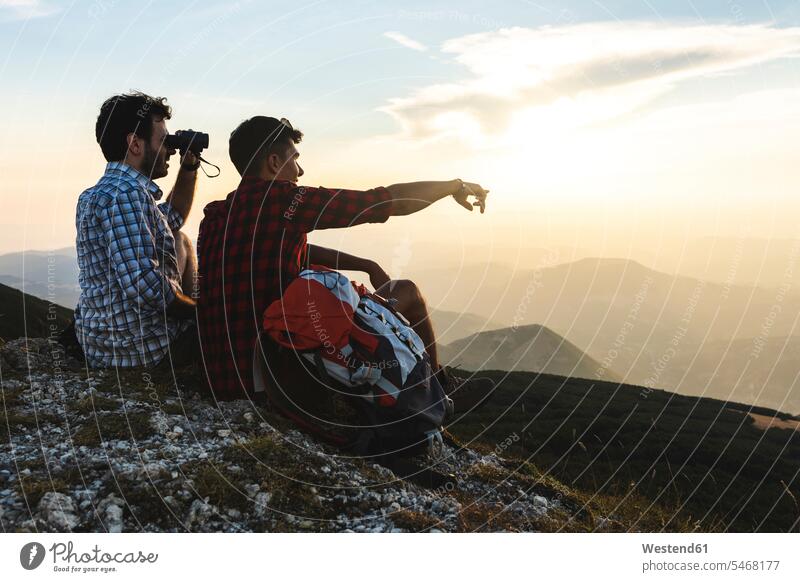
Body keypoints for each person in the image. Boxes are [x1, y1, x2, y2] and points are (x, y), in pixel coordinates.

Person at [196, 115, 496, 412]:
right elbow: (382, 202)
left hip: (224, 378)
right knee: (407, 293)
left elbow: (279, 248)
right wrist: (453, 186)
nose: (299, 171)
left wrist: (364, 263)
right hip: (281, 381)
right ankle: (440, 394)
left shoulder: (216, 216)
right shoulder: (285, 200)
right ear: (274, 162)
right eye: (294, 159)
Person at [74, 91, 200, 369]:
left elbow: (173, 218)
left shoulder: (100, 194)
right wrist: (200, 313)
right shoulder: (126, 195)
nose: (170, 149)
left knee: (179, 238)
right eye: (164, 141)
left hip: (103, 344)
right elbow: (144, 286)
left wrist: (190, 166)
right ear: (134, 143)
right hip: (138, 350)